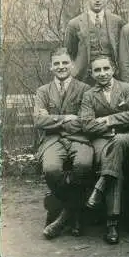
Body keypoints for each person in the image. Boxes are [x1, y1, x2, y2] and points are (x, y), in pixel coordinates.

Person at [80, 55, 129, 244]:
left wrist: (107, 120)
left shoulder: (127, 88)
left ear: (113, 69)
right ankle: (112, 222)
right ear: (91, 73)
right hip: (101, 141)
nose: (102, 73)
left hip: (127, 137)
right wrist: (115, 126)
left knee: (119, 142)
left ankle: (101, 189)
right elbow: (87, 125)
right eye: (97, 70)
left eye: (106, 68)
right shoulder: (89, 95)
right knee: (113, 161)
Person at [33, 47, 93, 239]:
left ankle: (65, 215)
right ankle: (74, 213)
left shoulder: (85, 89)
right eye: (57, 64)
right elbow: (39, 121)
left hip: (79, 139)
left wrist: (53, 120)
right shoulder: (43, 91)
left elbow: (85, 121)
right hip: (52, 140)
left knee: (83, 165)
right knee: (51, 169)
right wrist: (67, 117)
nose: (61, 67)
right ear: (50, 67)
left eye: (65, 63)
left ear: (72, 65)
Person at [65, 0, 125, 84]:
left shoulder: (117, 21)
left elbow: (123, 51)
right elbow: (70, 53)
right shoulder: (74, 24)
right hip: (85, 79)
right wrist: (77, 71)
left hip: (112, 77)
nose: (97, 0)